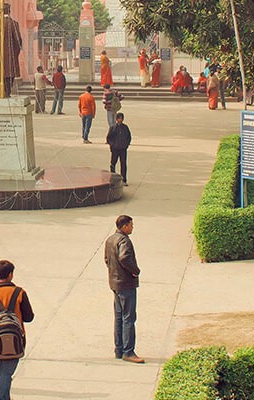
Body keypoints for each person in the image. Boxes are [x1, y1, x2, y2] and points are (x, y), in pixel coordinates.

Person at [0, 260, 34, 400]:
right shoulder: (19, 293)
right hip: (16, 337)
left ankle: (5, 396)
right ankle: (3, 397)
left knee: (2, 367)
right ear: (11, 274)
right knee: (7, 371)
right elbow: (29, 317)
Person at [104, 215, 143, 363]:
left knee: (119, 317)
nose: (132, 227)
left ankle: (119, 349)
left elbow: (107, 260)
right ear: (125, 226)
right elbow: (124, 258)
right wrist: (135, 271)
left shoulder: (110, 240)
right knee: (129, 318)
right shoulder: (124, 241)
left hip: (115, 283)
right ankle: (128, 351)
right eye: (131, 225)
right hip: (126, 284)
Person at [0, 3, 23, 96]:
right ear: (9, 11)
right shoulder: (14, 24)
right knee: (9, 74)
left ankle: (0, 92)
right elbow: (18, 40)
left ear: (1, 11)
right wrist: (16, 52)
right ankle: (7, 92)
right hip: (10, 53)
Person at [107, 113, 132, 186]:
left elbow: (129, 137)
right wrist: (112, 145)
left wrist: (126, 145)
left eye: (121, 118)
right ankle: (112, 179)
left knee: (123, 164)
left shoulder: (125, 127)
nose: (120, 120)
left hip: (123, 149)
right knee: (113, 163)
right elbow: (109, 138)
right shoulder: (113, 127)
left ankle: (124, 179)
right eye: (119, 118)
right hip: (115, 149)